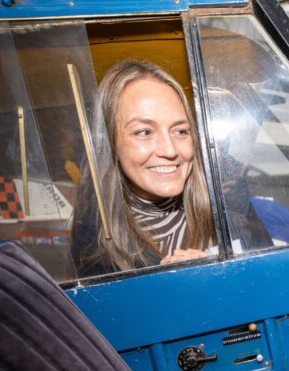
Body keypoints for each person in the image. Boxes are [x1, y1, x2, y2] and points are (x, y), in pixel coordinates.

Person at [72, 60, 214, 276]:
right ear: (109, 144)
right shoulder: (96, 246)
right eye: (144, 132)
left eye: (180, 131)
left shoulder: (227, 216)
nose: (170, 150)